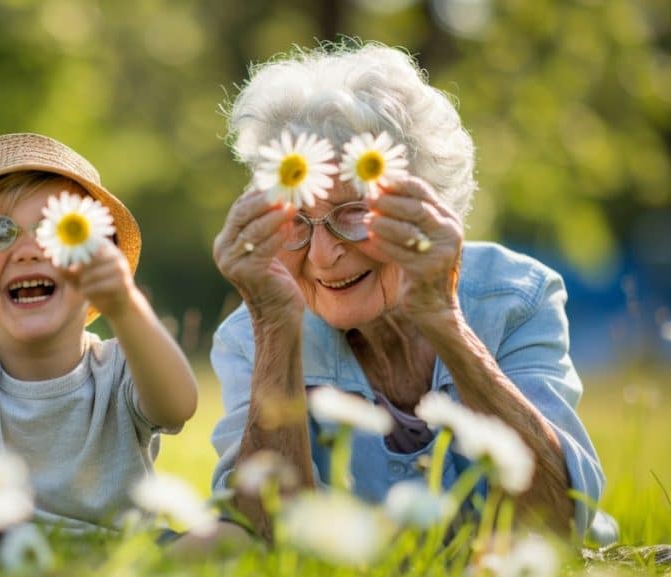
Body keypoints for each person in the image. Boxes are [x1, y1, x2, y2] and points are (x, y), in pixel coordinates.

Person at [207, 42, 616, 544]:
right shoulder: (252, 334)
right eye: (297, 221)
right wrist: (274, 328)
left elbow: (556, 523)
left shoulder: (515, 298)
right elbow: (262, 539)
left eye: (352, 214)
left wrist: (443, 319)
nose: (320, 256)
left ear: (427, 205)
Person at [0, 132, 198, 534]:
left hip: (113, 556)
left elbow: (178, 406)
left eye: (57, 229)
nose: (30, 250)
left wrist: (125, 305)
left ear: (96, 269)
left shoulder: (122, 368)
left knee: (209, 538)